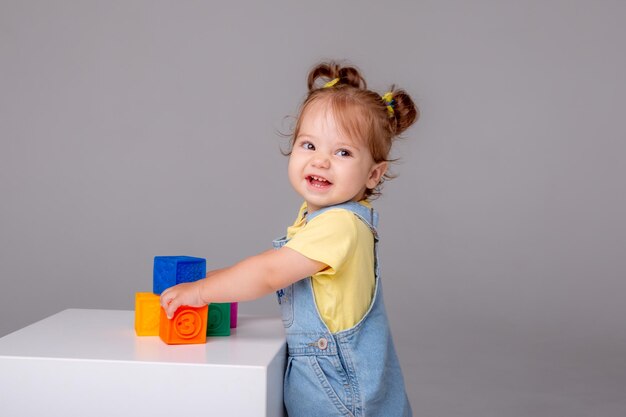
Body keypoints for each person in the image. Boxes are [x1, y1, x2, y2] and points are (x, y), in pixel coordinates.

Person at [161, 61, 419, 416]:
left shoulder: (341, 225)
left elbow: (269, 273)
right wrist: (211, 280)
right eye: (309, 145)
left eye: (342, 152)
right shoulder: (317, 219)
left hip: (341, 400)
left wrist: (202, 291)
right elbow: (273, 265)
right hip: (322, 387)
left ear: (374, 174)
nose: (321, 161)